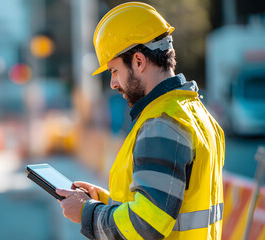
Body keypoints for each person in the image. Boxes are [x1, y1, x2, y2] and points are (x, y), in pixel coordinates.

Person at [56, 2, 225, 239]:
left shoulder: (162, 124)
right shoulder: (197, 114)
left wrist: (88, 213)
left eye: (114, 71)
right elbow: (168, 206)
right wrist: (103, 202)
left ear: (138, 61)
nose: (113, 83)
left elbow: (146, 226)